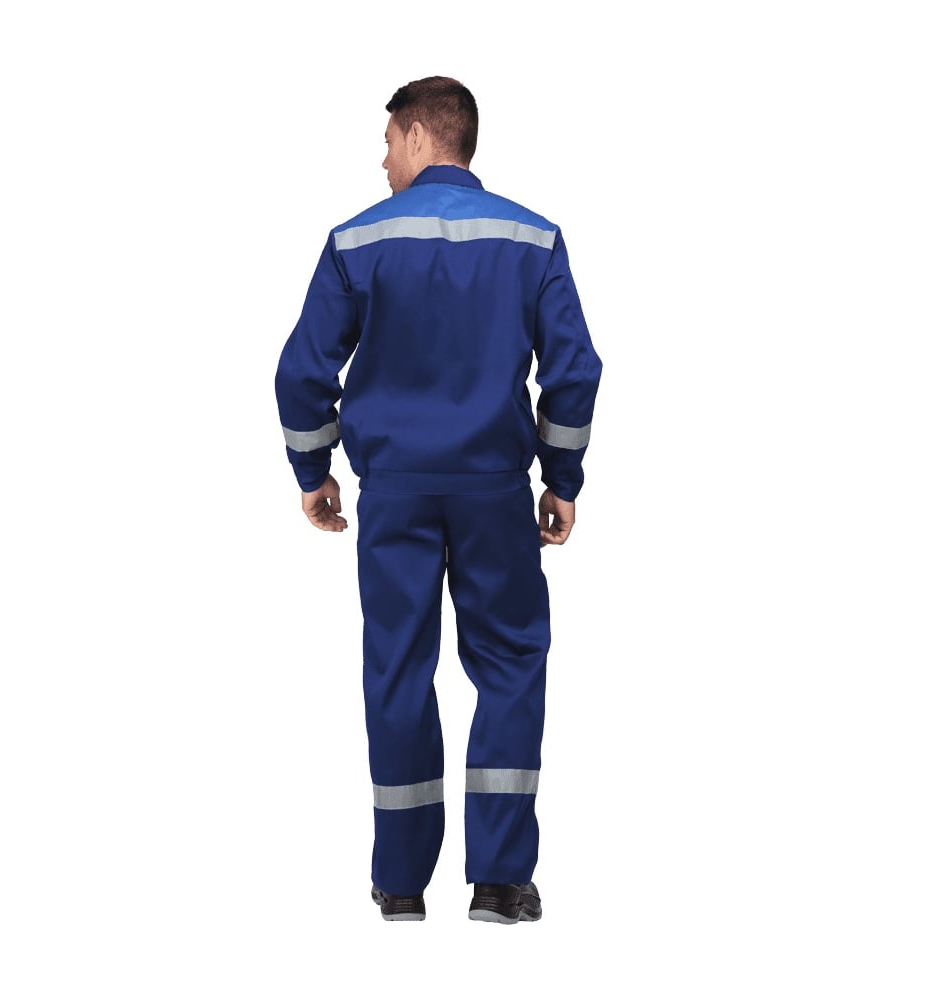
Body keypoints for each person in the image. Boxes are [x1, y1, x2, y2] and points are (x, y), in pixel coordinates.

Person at [275, 76, 602, 923]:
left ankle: (400, 885)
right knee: (511, 663)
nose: (382, 160)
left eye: (388, 141)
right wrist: (560, 480)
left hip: (395, 495)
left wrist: (313, 472)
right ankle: (499, 881)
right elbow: (574, 371)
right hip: (495, 492)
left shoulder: (357, 240)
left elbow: (302, 372)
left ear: (422, 133)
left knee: (396, 668)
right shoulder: (532, 238)